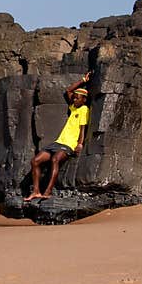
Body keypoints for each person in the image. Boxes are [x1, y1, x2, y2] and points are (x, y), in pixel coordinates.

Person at [23, 71, 91, 201]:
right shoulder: (74, 108)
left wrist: (80, 144)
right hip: (58, 142)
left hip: (68, 144)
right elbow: (68, 91)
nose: (74, 99)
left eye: (77, 98)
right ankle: (36, 191)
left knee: (55, 160)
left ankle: (48, 191)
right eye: (75, 97)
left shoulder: (84, 110)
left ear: (84, 100)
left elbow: (83, 129)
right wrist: (83, 80)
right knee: (35, 161)